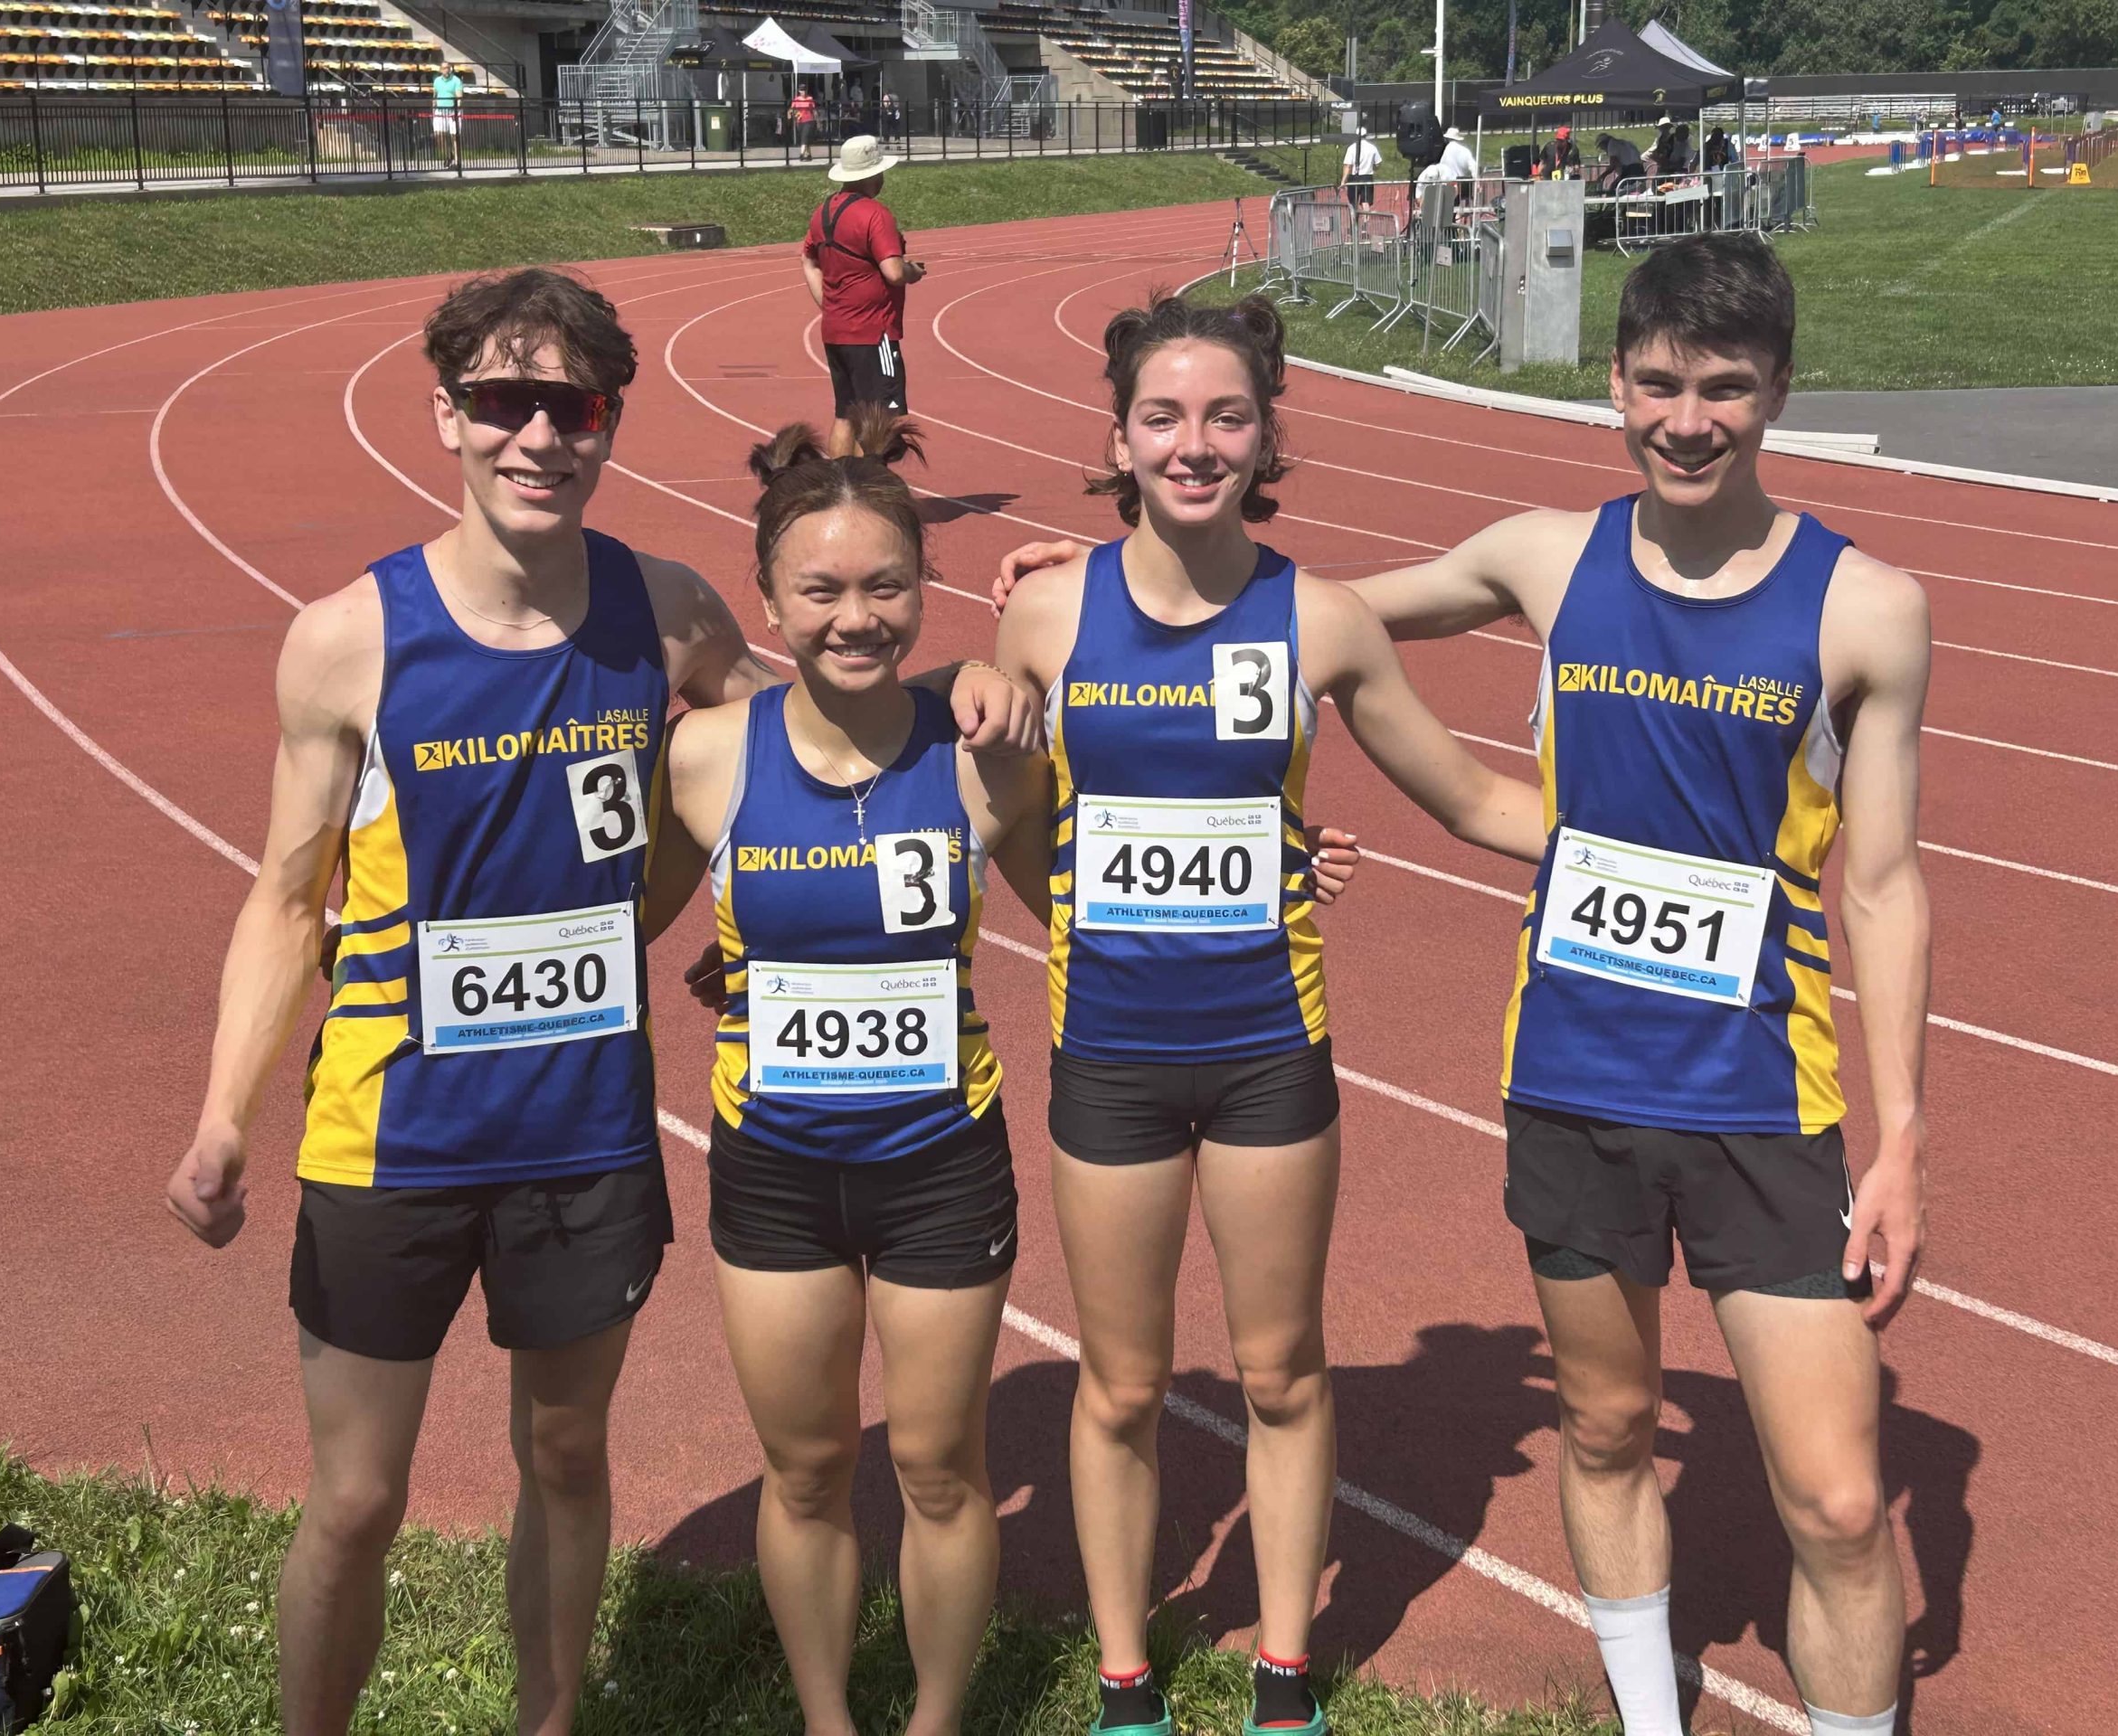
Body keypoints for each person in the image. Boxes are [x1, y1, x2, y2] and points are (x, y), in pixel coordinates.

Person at [998, 236, 1932, 1736]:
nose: (1687, 418)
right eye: (1659, 384)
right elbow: (1331, 613)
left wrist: (1905, 1135)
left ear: (1776, 396)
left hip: (1766, 1087)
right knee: (1609, 1424)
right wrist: (1138, 577)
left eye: (1726, 390)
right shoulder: (1542, 554)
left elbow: (1883, 882)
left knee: (1832, 1493)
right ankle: (1644, 1717)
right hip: (1569, 1078)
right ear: (1616, 383)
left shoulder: (1867, 608)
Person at [162, 268, 1036, 1736]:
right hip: (392, 1136)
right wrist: (219, 1121)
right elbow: (285, 895)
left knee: (567, 1461)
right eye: (502, 402)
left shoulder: (665, 610)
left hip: (584, 1138)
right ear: (445, 414)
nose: (536, 435)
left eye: (569, 405)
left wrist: (962, 688)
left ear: (607, 423)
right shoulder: (346, 643)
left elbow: (809, 723)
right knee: (359, 1498)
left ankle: (547, 1722)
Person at [988, 292, 1547, 1736]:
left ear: (1268, 434)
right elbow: (986, 792)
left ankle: (1284, 1680)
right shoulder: (1045, 612)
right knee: (1117, 1386)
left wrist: (1674, 841)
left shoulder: (1322, 620)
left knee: (1281, 1369)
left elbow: (1478, 796)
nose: (1195, 444)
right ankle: (1127, 1685)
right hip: (1107, 1054)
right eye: (1164, 417)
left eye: (1226, 416)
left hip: (1264, 1057)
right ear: (1116, 439)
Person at [651, 409, 1051, 1736]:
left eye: (887, 585)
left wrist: (1286, 854)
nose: (857, 616)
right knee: (809, 1467)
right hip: (774, 1169)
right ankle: (827, 1720)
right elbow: (619, 924)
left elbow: (1087, 898)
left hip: (940, 1162)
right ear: (768, 597)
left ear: (924, 591)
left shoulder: (980, 751)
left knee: (941, 1466)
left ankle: (935, 1722)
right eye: (820, 589)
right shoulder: (706, 761)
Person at [803, 134, 925, 459]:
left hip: (836, 329)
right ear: (873, 174)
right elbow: (894, 272)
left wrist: (827, 303)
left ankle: (841, 485)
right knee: (878, 420)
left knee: (846, 414)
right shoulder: (875, 215)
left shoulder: (823, 213)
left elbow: (808, 260)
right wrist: (914, 270)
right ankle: (867, 489)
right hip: (873, 331)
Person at [1412, 124, 1480, 233]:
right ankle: (1450, 233)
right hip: (1456, 183)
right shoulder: (1465, 151)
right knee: (1451, 213)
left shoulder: (1447, 150)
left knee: (1438, 213)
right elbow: (1473, 166)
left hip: (1447, 181)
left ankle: (1440, 233)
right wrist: (1477, 181)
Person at [430, 62, 465, 170]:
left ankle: (458, 162)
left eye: (448, 68)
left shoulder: (456, 80)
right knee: (438, 135)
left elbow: (459, 97)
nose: (447, 70)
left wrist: (456, 109)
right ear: (441, 70)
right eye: (444, 68)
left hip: (452, 111)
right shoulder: (437, 81)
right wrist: (433, 108)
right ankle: (448, 155)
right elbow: (435, 96)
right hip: (440, 111)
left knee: (454, 136)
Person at [1338, 125, 1381, 208]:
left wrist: (1343, 181)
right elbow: (1378, 163)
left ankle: (1354, 219)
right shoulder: (1372, 148)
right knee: (1366, 201)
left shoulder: (1352, 148)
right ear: (1366, 135)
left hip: (1354, 177)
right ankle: (1366, 220)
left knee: (1353, 202)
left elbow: (1348, 166)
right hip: (1367, 177)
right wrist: (1373, 168)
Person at [789, 85, 818, 160]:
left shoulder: (810, 99)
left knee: (804, 137)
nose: (803, 92)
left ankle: (801, 154)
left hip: (809, 120)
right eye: (802, 90)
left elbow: (814, 110)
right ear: (799, 91)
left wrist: (818, 121)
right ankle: (809, 155)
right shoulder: (796, 100)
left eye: (804, 90)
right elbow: (791, 109)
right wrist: (790, 114)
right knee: (805, 138)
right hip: (799, 121)